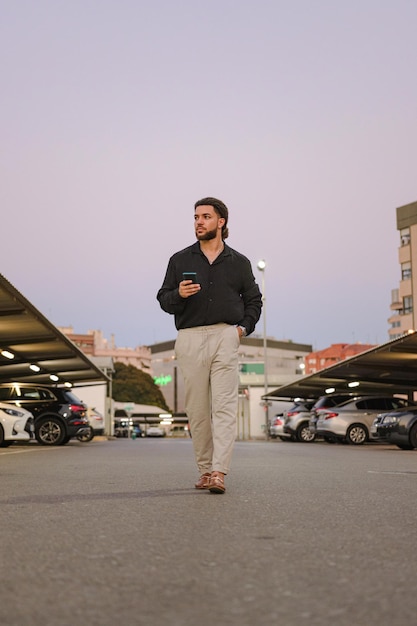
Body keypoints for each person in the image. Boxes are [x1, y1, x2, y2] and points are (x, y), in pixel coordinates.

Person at [157, 197, 262, 494]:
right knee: (197, 410)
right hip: (189, 338)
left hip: (225, 336)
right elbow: (164, 299)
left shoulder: (239, 263)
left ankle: (219, 472)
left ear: (221, 222)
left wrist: (242, 329)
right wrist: (178, 293)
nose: (199, 222)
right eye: (195, 217)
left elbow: (254, 300)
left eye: (205, 217)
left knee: (225, 407)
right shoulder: (180, 260)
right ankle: (205, 469)